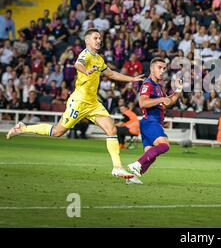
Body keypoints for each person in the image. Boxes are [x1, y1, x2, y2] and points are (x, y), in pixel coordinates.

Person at [6, 28, 144, 179]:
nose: (99, 40)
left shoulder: (98, 58)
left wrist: (132, 79)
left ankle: (117, 167)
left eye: (99, 38)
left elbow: (111, 74)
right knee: (58, 132)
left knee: (111, 129)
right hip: (79, 102)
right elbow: (78, 64)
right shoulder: (85, 54)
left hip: (93, 103)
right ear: (87, 41)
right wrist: (85, 71)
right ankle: (23, 128)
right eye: (95, 38)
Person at [127, 57, 182, 184]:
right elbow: (142, 103)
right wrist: (161, 100)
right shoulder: (148, 84)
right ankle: (137, 164)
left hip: (151, 123)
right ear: (152, 69)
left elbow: (168, 102)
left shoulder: (157, 86)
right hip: (150, 121)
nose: (162, 71)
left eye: (164, 68)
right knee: (164, 145)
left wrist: (178, 90)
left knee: (151, 156)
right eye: (159, 68)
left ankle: (132, 178)